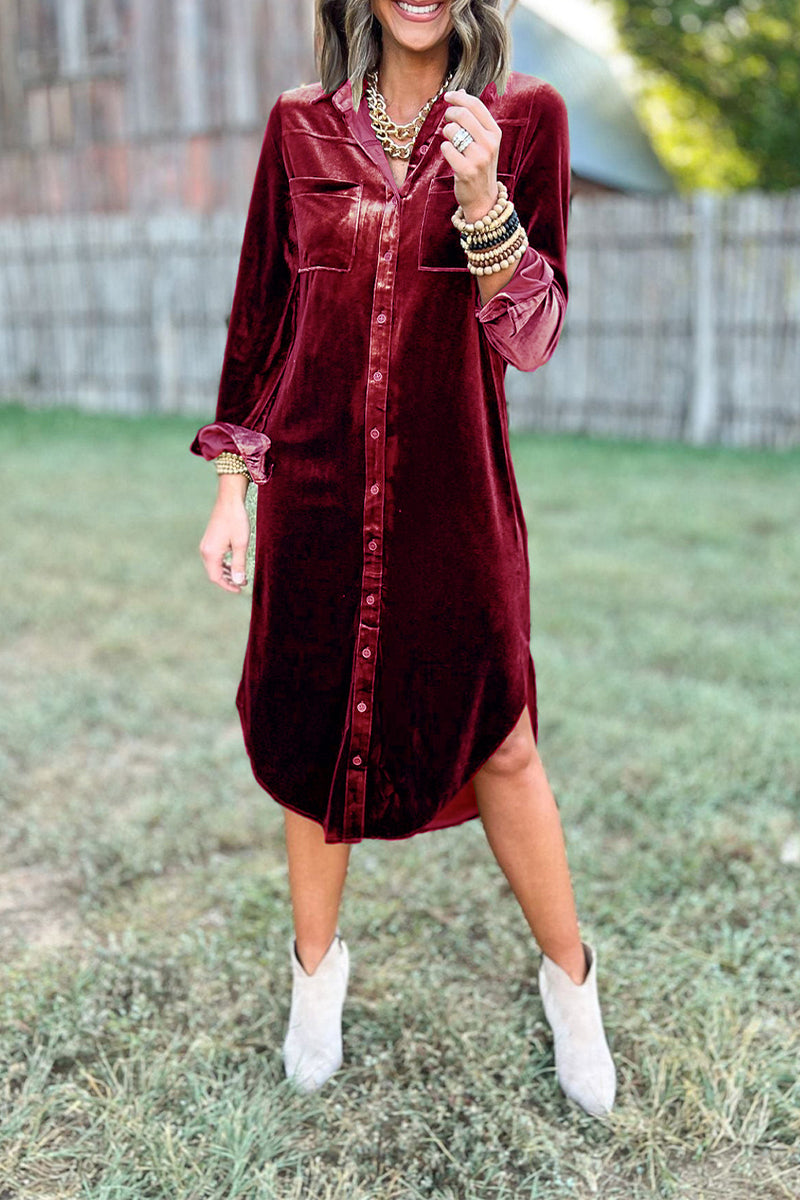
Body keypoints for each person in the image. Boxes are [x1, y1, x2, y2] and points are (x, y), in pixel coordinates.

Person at [191, 0, 616, 1117]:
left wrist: (482, 200)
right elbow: (261, 321)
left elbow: (532, 335)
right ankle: (314, 980)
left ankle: (572, 988)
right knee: (307, 728)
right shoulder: (298, 124)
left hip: (452, 495)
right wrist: (233, 488)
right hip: (315, 491)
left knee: (503, 740)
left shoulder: (528, 116)